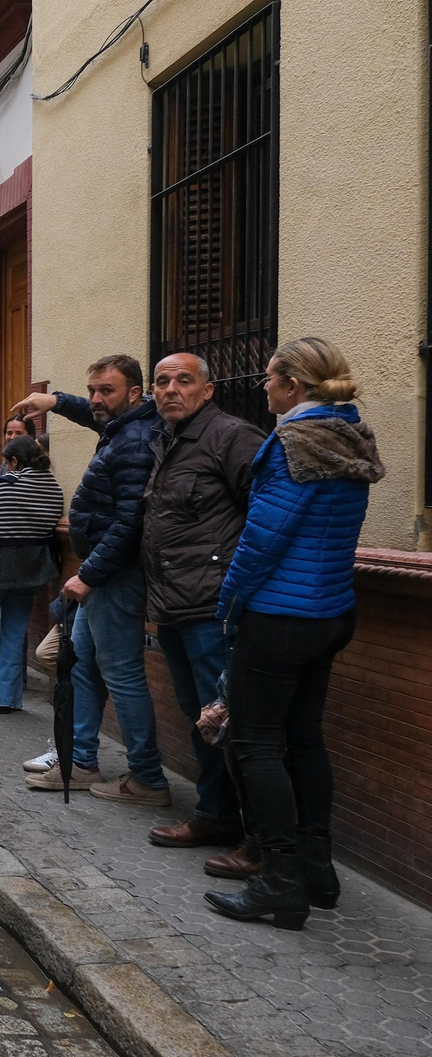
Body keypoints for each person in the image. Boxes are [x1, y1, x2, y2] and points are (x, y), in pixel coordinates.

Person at [205, 338, 382, 930]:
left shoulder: (290, 444)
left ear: (293, 386)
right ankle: (315, 865)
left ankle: (280, 881)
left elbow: (263, 539)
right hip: (331, 611)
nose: (263, 387)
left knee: (254, 744)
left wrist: (227, 604)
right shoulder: (351, 435)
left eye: (270, 378)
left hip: (278, 616)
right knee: (304, 739)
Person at [13, 356, 168, 805]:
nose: (97, 399)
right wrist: (56, 400)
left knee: (121, 675)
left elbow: (130, 520)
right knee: (79, 666)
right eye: (93, 389)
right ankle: (80, 761)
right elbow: (95, 413)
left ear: (135, 394)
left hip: (115, 577)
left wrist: (90, 574)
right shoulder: (124, 425)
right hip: (101, 574)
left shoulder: (136, 439)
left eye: (107, 391)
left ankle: (147, 778)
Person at [138, 354, 265, 856]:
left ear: (207, 391)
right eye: (162, 382)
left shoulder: (232, 437)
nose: (170, 390)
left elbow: (264, 516)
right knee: (199, 716)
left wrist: (234, 587)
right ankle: (215, 815)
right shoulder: (165, 442)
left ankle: (246, 829)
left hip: (214, 609)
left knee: (225, 720)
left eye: (183, 381)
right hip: (172, 606)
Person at [0, 437, 64, 713]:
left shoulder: (7, 483)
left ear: (15, 461)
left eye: (7, 461)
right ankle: (7, 697)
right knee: (15, 630)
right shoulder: (53, 486)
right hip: (30, 568)